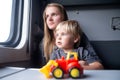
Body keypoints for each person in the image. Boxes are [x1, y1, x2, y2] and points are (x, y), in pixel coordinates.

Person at [40, 3, 103, 69]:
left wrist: (79, 66)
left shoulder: (80, 39)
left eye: (54, 14)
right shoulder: (44, 42)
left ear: (63, 17)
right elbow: (45, 68)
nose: (49, 19)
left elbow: (98, 65)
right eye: (47, 16)